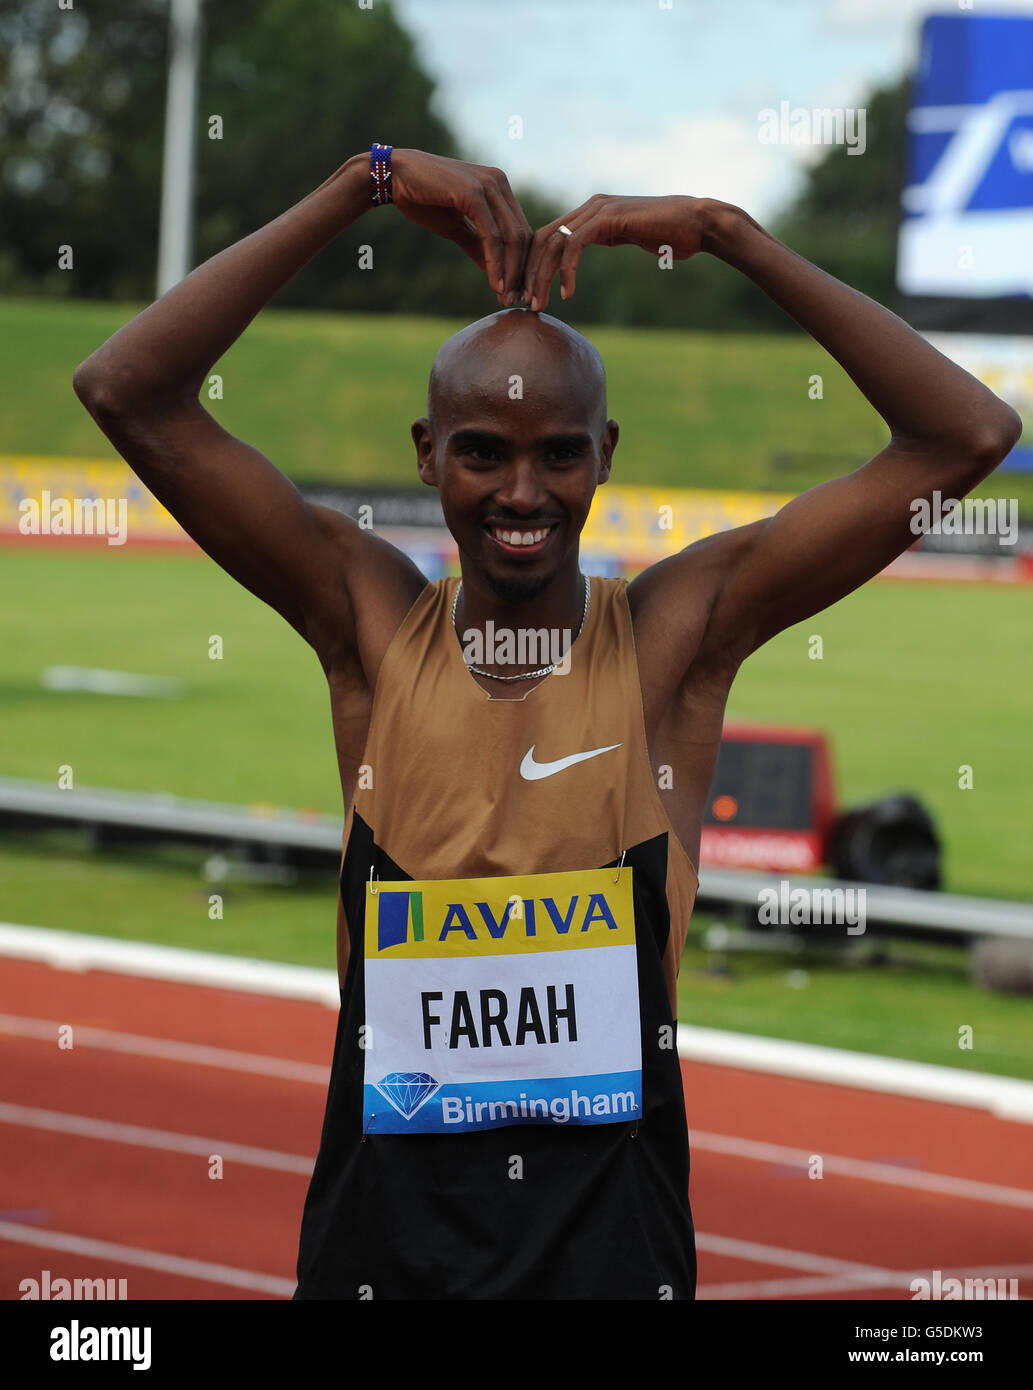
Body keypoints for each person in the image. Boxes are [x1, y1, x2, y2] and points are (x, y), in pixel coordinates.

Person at [73, 146, 1021, 1301]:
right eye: (482, 451)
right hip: (384, 1251)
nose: (522, 495)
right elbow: (125, 387)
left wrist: (727, 234)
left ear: (603, 457)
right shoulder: (367, 623)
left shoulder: (675, 641)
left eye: (557, 453)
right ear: (427, 456)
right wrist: (357, 185)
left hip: (605, 1262)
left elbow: (965, 436)